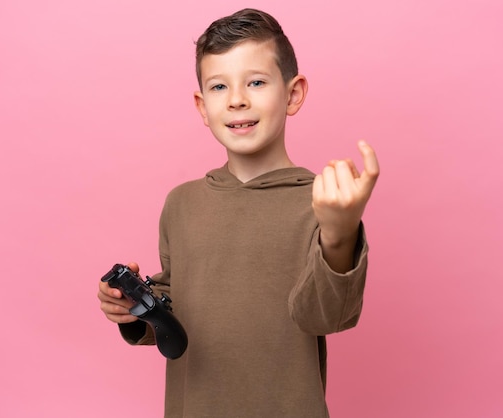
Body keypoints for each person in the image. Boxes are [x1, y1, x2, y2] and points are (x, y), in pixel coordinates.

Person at [98, 8, 379, 417]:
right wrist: (134, 309)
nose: (236, 99)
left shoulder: (324, 201)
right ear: (201, 106)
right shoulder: (181, 204)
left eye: (257, 82)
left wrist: (339, 234)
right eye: (218, 87)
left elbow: (326, 316)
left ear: (293, 93)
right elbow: (181, 307)